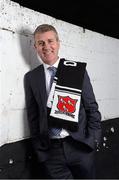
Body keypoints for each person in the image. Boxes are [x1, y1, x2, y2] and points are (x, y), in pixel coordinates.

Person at [24, 24, 102, 179]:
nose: (46, 47)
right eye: (41, 43)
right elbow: (33, 116)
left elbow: (92, 108)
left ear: (58, 43)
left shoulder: (76, 70)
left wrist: (93, 140)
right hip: (51, 153)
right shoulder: (31, 77)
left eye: (50, 41)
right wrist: (40, 151)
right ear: (36, 47)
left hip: (80, 146)